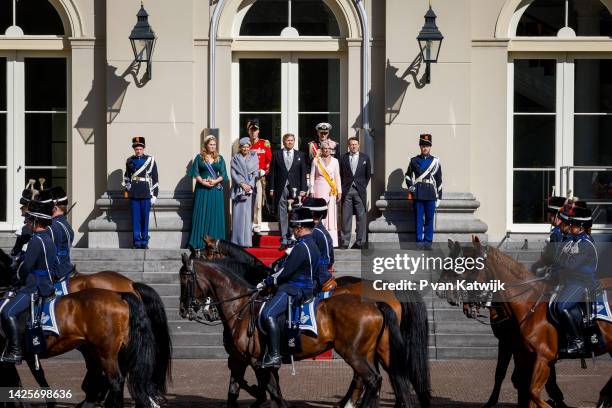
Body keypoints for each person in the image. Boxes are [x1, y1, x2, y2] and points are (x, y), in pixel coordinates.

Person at [257, 207, 320, 368]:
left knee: (267, 313)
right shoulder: (312, 244)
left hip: (294, 289)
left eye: (294, 228)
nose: (293, 231)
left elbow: (285, 272)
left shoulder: (301, 247)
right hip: (307, 287)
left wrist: (267, 281)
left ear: (299, 228)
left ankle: (275, 355)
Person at [0, 200, 57, 364]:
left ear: (35, 221)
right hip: (46, 281)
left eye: (29, 219)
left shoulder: (35, 241)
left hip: (35, 285)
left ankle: (15, 351)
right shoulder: (47, 237)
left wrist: (16, 277)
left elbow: (26, 268)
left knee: (7, 312)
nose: (27, 222)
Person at [554, 206, 598, 354]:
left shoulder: (585, 243)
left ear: (581, 227)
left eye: (573, 224)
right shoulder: (573, 241)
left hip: (581, 282)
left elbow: (571, 265)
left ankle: (578, 341)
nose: (570, 226)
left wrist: (557, 269)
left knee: (562, 306)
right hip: (569, 281)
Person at [268, 133, 307, 249]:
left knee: (295, 213)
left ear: (294, 142)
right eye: (287, 140)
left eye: (291, 140)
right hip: (281, 187)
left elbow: (303, 174)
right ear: (283, 142)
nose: (290, 142)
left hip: (295, 188)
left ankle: (294, 238)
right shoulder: (277, 154)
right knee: (282, 213)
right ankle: (284, 239)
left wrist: (304, 189)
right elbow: (272, 172)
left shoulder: (300, 155)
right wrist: (271, 188)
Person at [188, 134, 228, 248]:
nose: (212, 146)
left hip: (215, 191)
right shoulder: (199, 157)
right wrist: (203, 182)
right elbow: (195, 173)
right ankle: (199, 242)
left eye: (214, 144)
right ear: (206, 145)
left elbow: (224, 174)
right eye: (210, 144)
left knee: (214, 215)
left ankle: (215, 242)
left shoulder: (219, 158)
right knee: (201, 214)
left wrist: (215, 182)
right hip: (202, 190)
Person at [405, 134, 442, 249]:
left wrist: (439, 197)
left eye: (427, 146)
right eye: (423, 146)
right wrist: (410, 186)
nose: (425, 148)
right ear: (420, 147)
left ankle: (428, 242)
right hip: (418, 193)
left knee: (430, 219)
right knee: (418, 219)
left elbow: (439, 180)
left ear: (430, 147)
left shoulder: (435, 161)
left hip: (430, 193)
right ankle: (419, 241)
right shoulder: (414, 160)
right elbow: (407, 176)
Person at [123, 136, 159, 249]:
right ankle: (136, 242)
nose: (138, 150)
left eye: (140, 148)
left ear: (143, 148)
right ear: (134, 149)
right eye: (136, 148)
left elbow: (155, 177)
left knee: (145, 219)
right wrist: (127, 188)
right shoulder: (129, 160)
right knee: (135, 219)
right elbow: (127, 177)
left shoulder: (150, 160)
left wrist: (154, 194)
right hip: (134, 192)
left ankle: (144, 242)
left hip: (145, 192)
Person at [339, 136, 372, 249]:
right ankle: (344, 241)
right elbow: (340, 174)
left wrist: (361, 185)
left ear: (358, 145)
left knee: (361, 217)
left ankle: (360, 242)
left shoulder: (365, 158)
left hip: (360, 191)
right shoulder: (343, 158)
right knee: (345, 217)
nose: (353, 146)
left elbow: (368, 175)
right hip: (347, 190)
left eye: (355, 144)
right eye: (351, 144)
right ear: (348, 146)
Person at [309, 141, 341, 247]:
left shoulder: (335, 161)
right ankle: (317, 239)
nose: (326, 150)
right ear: (321, 150)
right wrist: (312, 189)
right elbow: (312, 176)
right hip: (318, 189)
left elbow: (337, 177)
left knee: (330, 215)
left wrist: (339, 191)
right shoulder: (315, 160)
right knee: (319, 214)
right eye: (324, 148)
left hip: (331, 191)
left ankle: (331, 240)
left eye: (328, 148)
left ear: (331, 150)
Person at [39, 187, 75, 281]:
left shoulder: (52, 226)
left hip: (56, 273)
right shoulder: (64, 224)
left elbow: (49, 257)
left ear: (54, 207)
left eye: (46, 207)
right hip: (65, 267)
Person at [231, 137, 260, 247]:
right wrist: (241, 184)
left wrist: (249, 185)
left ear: (250, 147)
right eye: (243, 146)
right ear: (240, 147)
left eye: (247, 146)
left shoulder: (254, 157)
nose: (246, 148)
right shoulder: (235, 158)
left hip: (249, 190)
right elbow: (233, 173)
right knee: (238, 215)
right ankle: (236, 241)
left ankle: (247, 241)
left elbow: (255, 173)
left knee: (248, 216)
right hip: (239, 189)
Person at [302, 197, 334, 291]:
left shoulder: (320, 233)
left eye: (314, 215)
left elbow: (327, 260)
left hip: (313, 277)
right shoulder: (307, 231)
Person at [247, 119, 272, 234]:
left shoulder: (264, 143)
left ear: (258, 131)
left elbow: (269, 161)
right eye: (251, 130)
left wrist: (264, 172)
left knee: (257, 202)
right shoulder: (245, 144)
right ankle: (247, 224)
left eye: (255, 130)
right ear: (248, 131)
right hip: (246, 178)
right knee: (246, 202)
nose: (253, 132)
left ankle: (256, 225)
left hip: (258, 177)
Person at [11, 180, 39, 259]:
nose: (21, 208)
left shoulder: (28, 229)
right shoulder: (24, 228)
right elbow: (15, 252)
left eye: (23, 205)